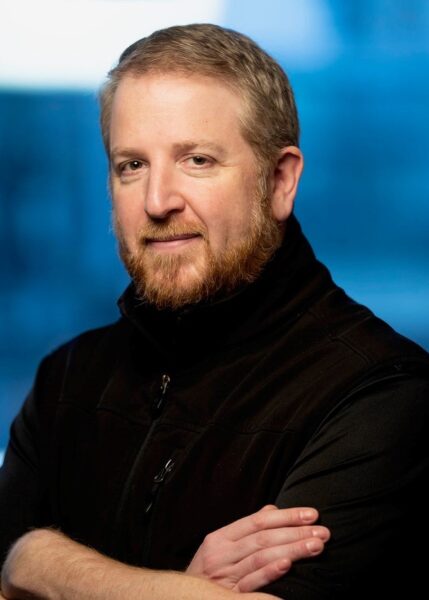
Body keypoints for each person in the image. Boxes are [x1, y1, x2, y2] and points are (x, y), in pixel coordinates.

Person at [0, 23, 428, 600]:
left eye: (197, 160)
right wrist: (184, 590)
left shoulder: (381, 393)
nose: (157, 202)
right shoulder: (67, 379)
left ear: (280, 181)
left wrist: (36, 562)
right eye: (131, 165)